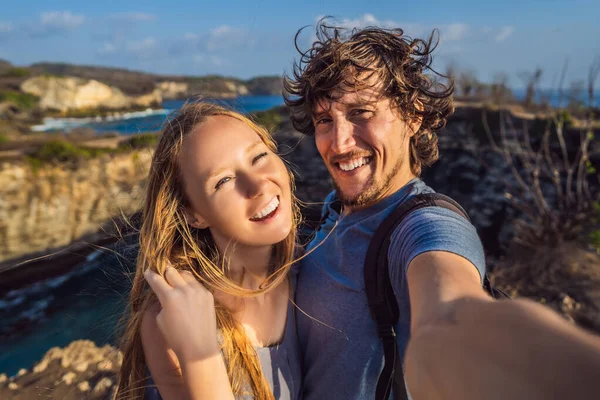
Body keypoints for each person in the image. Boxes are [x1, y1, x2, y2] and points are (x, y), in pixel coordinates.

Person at [284, 21, 600, 399]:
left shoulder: (423, 227)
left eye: (361, 113)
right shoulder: (336, 210)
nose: (339, 142)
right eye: (324, 120)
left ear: (413, 115)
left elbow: (451, 316)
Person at [116, 102, 303, 400]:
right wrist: (197, 352)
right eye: (224, 181)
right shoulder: (171, 318)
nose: (257, 185)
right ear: (193, 214)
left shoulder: (305, 271)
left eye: (259, 156)